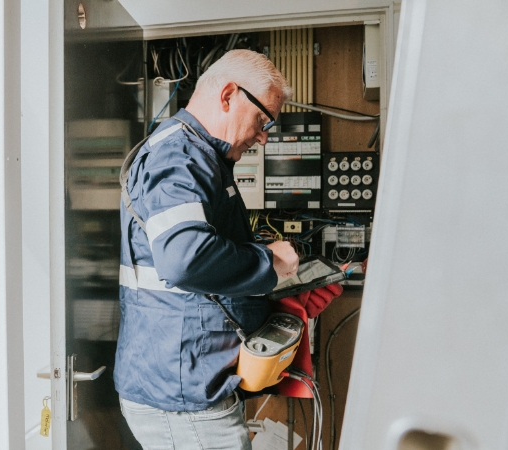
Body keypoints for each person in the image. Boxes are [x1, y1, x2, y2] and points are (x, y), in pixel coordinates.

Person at [115, 49, 342, 449]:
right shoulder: (180, 156)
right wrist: (269, 261)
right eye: (262, 120)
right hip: (182, 392)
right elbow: (186, 258)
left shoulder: (203, 157)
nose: (263, 136)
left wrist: (277, 290)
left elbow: (208, 266)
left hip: (189, 380)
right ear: (228, 95)